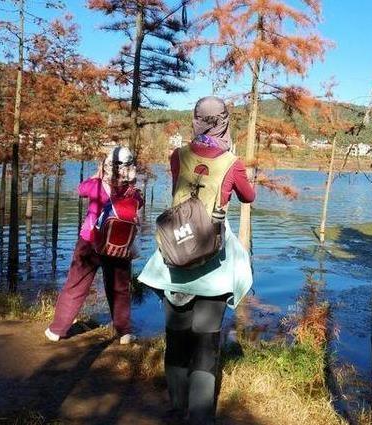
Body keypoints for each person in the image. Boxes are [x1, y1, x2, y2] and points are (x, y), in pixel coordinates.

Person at [139, 96, 256, 424]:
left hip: (175, 256)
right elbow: (249, 196)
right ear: (223, 120)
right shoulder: (232, 163)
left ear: (196, 118)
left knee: (176, 339)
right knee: (206, 344)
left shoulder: (178, 156)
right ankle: (201, 416)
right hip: (212, 266)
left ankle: (177, 408)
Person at [45, 146, 143, 345]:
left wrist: (97, 175)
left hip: (90, 241)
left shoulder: (96, 185)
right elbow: (138, 205)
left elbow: (80, 189)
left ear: (107, 166)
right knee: (119, 289)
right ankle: (124, 332)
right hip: (119, 246)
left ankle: (57, 329)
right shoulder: (134, 193)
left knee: (76, 284)